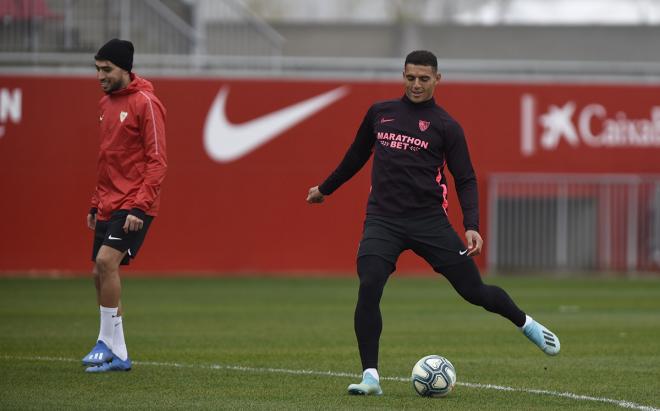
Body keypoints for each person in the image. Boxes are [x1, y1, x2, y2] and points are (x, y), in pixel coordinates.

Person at [306, 50, 560, 396]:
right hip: (383, 220)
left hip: (429, 222)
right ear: (403, 76)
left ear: (437, 79)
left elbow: (465, 178)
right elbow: (355, 156)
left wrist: (472, 224)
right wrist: (325, 189)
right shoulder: (380, 113)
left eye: (424, 79)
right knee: (369, 285)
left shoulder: (446, 126)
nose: (416, 85)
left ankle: (526, 323)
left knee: (475, 292)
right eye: (410, 77)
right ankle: (370, 377)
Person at [81, 38, 167, 373]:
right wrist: (94, 202)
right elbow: (108, 161)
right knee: (97, 274)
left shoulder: (147, 103)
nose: (100, 75)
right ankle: (120, 352)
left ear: (125, 70)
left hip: (135, 203)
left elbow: (157, 161)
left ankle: (104, 343)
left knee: (106, 261)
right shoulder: (105, 103)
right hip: (108, 201)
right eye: (97, 69)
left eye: (107, 69)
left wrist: (139, 206)